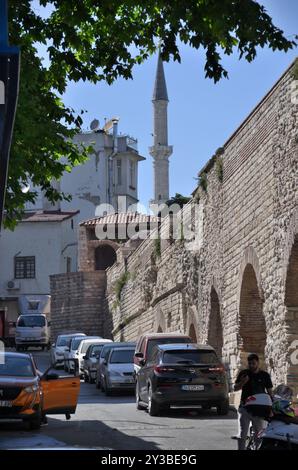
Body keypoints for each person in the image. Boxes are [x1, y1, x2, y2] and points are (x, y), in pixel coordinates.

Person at [234, 353, 273, 450]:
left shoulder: (264, 375)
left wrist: (272, 407)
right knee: (242, 435)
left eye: (253, 363)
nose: (251, 366)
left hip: (259, 409)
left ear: (258, 363)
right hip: (245, 408)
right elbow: (235, 388)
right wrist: (243, 382)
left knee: (258, 435)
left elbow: (270, 392)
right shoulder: (244, 373)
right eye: (250, 363)